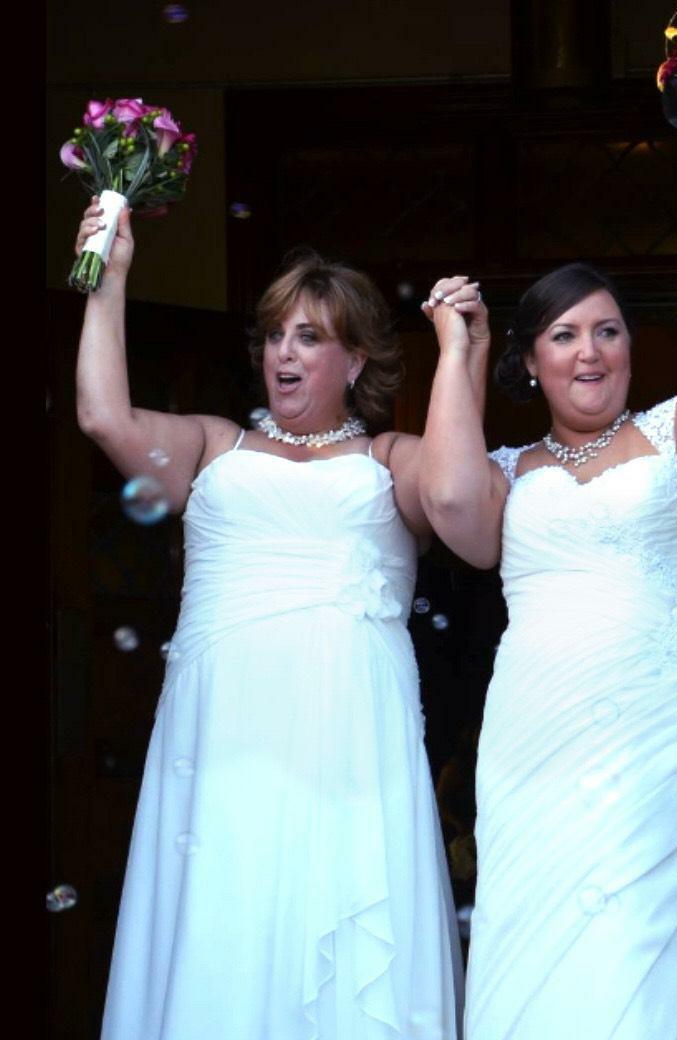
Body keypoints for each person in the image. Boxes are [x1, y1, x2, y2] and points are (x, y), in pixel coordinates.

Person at [74, 197, 476, 1039]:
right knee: (226, 912)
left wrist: (456, 354)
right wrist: (110, 278)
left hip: (348, 743)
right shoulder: (211, 445)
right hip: (223, 735)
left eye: (309, 337)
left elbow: (453, 498)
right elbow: (103, 418)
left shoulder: (389, 459)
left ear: (355, 360)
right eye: (274, 335)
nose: (282, 353)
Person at [419, 161, 677, 1038]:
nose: (590, 351)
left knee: (649, 945)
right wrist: (459, 353)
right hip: (535, 744)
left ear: (630, 348)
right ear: (532, 360)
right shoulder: (507, 474)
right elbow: (450, 503)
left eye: (608, 331)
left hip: (661, 740)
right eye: (566, 335)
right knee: (546, 948)